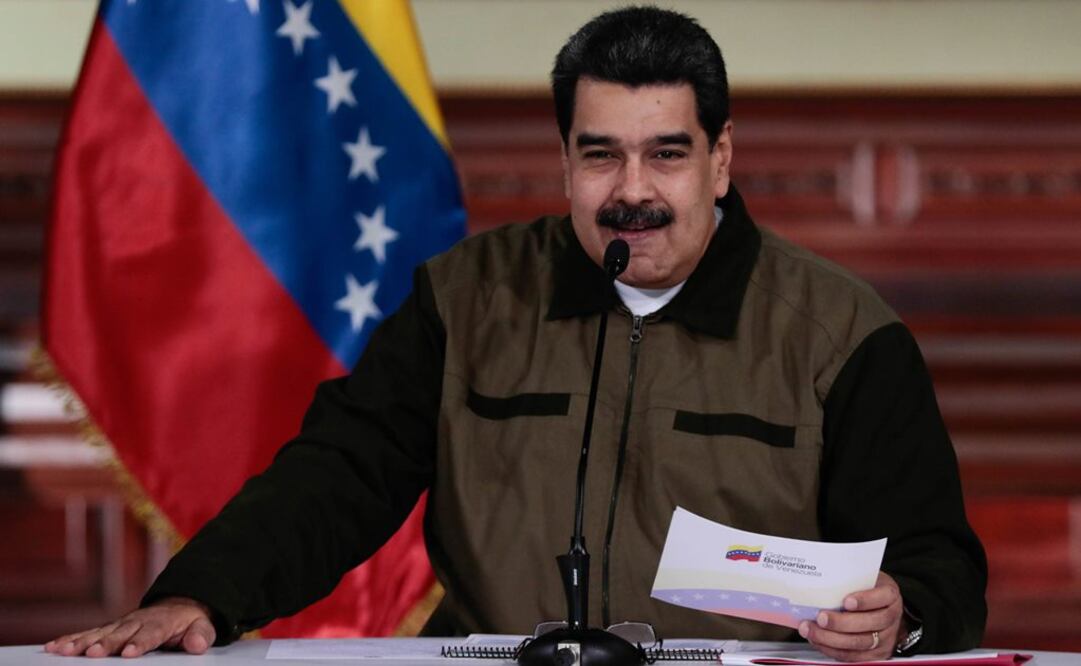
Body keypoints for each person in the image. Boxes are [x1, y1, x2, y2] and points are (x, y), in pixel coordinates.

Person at [45, 6, 986, 661]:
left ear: (720, 160)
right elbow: (337, 475)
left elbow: (937, 565)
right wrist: (200, 594)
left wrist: (898, 618)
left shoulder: (840, 333)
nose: (631, 193)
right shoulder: (465, 299)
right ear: (565, 163)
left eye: (666, 154)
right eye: (599, 156)